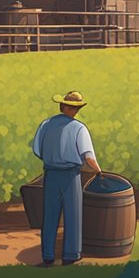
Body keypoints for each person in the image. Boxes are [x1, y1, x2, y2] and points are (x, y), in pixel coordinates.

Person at [31, 90, 103, 266]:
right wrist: (99, 171)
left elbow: (37, 150)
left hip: (51, 173)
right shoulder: (79, 128)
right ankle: (70, 254)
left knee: (50, 215)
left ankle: (47, 254)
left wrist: (52, 158)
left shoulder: (45, 125)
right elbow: (88, 157)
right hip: (71, 175)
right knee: (73, 215)